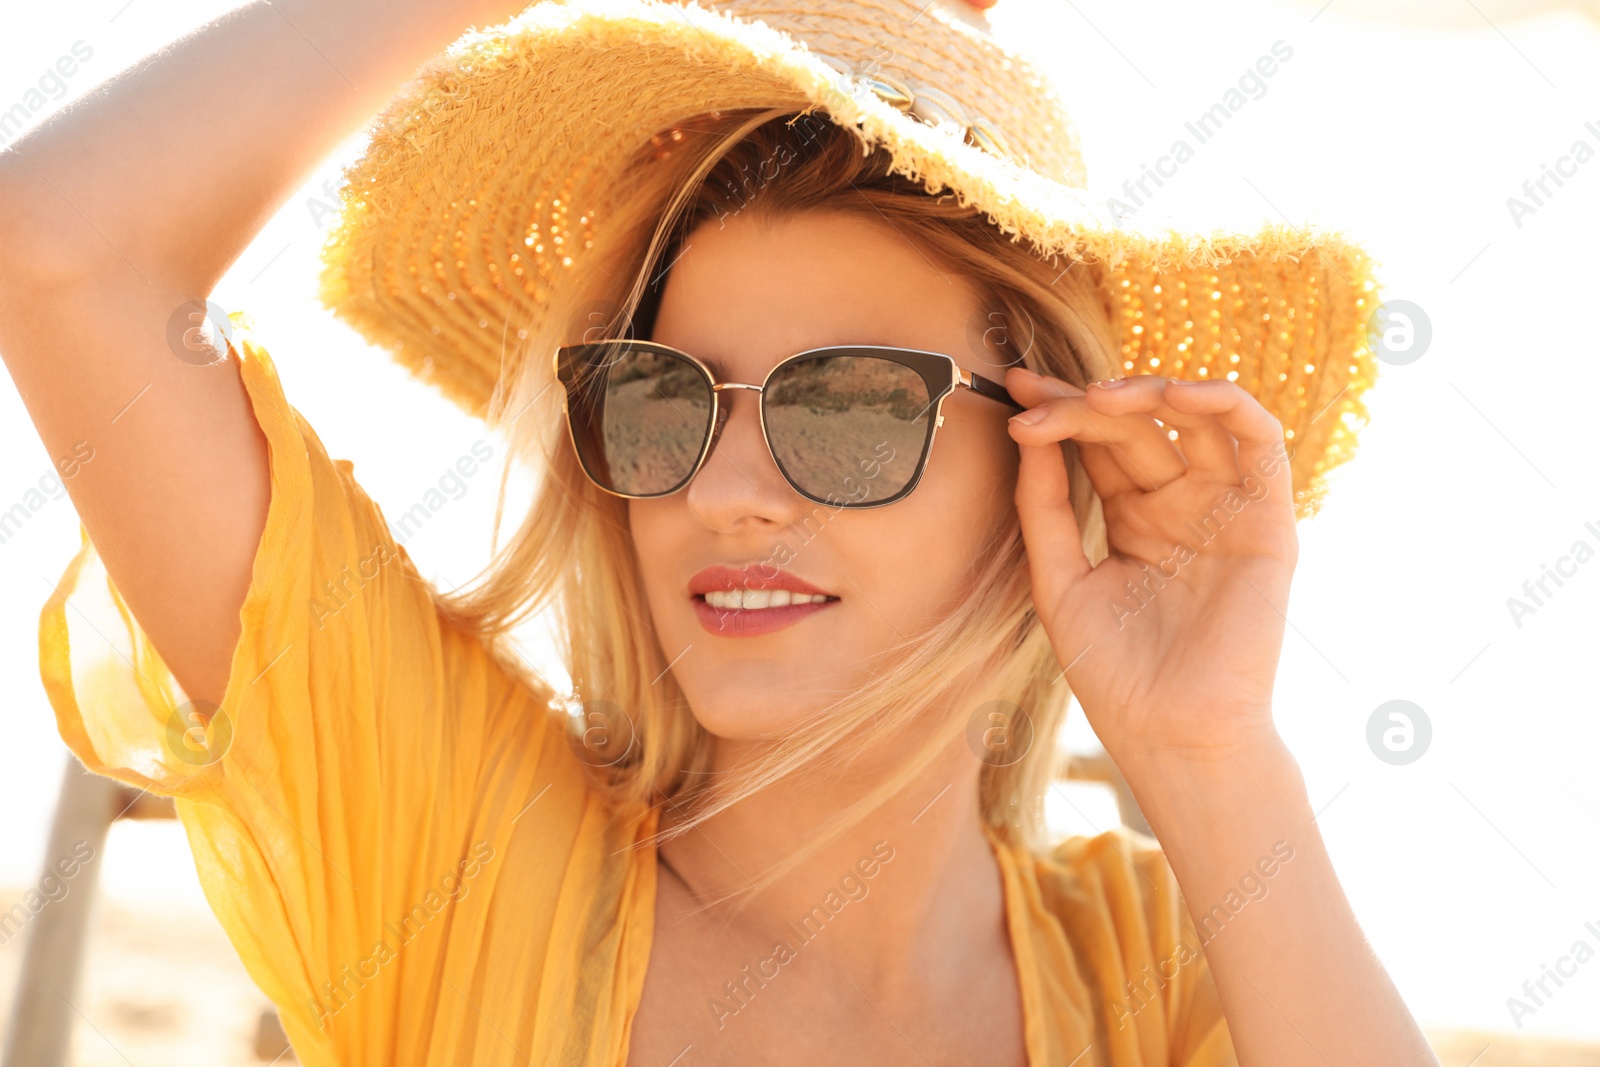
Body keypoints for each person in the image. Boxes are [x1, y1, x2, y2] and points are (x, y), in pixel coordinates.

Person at [0, 0, 1439, 1064]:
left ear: (1047, 465)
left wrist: (1210, 754)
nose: (724, 490)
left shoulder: (1154, 968)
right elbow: (64, 249)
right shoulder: (453, 853)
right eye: (661, 400)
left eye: (850, 409)